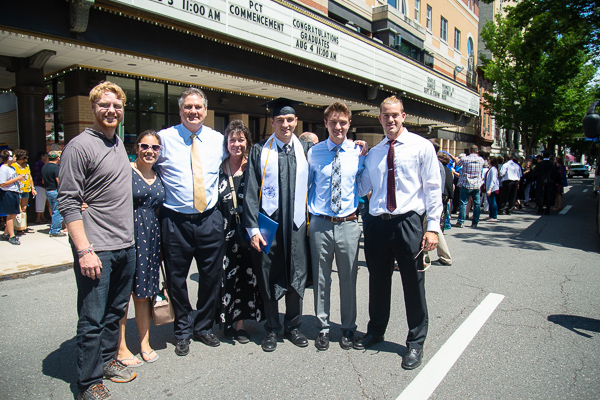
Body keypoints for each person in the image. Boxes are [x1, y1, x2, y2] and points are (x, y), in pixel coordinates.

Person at [58, 81, 137, 400]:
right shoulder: (79, 146)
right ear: (93, 107)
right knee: (92, 317)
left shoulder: (117, 143)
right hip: (97, 249)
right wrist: (84, 250)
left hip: (125, 245)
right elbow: (67, 201)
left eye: (116, 106)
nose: (111, 110)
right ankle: (87, 383)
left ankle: (106, 361)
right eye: (104, 105)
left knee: (115, 311)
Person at [356, 95, 442, 370]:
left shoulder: (421, 147)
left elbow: (432, 189)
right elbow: (362, 189)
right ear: (379, 118)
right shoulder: (375, 152)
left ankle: (415, 342)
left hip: (408, 222)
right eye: (385, 115)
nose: (390, 120)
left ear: (403, 116)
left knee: (412, 285)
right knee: (377, 281)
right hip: (377, 223)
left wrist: (432, 228)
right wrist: (357, 159)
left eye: (395, 115)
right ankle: (376, 330)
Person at [155, 87, 226, 356]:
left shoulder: (218, 139)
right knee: (176, 279)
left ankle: (204, 325)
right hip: (175, 221)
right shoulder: (163, 139)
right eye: (188, 107)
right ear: (180, 110)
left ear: (206, 111)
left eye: (198, 107)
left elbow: (240, 161)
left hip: (210, 218)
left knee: (211, 277)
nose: (193, 112)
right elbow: (143, 166)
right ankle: (183, 328)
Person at [243, 98, 312, 352]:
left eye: (290, 119)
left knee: (296, 272)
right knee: (268, 274)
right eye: (280, 120)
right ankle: (271, 328)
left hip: (296, 225)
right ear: (272, 122)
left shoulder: (305, 150)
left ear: (296, 122)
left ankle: (293, 326)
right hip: (268, 225)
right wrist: (252, 229)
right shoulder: (260, 150)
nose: (285, 124)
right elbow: (250, 191)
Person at [307, 101, 365, 351]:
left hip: (349, 224)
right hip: (320, 223)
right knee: (321, 279)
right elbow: (306, 186)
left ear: (349, 124)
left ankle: (348, 327)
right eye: (333, 122)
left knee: (348, 279)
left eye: (342, 122)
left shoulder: (359, 153)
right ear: (325, 124)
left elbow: (364, 185)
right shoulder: (314, 152)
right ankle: (323, 326)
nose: (338, 127)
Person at [113, 130, 166, 367]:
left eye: (155, 148)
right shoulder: (125, 172)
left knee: (144, 295)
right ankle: (121, 347)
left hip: (151, 238)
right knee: (123, 296)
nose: (150, 151)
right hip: (126, 236)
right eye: (145, 146)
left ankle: (145, 343)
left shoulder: (159, 175)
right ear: (137, 148)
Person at [214, 120, 264, 344]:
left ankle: (241, 324)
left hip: (247, 232)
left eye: (241, 139)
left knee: (246, 276)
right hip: (222, 233)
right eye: (232, 140)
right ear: (226, 143)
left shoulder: (253, 167)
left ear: (247, 142)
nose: (237, 144)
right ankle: (226, 322)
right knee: (224, 277)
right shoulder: (218, 168)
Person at [453, 145, 485, 228]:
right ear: (477, 151)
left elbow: (458, 163)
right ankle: (475, 222)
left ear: (469, 151)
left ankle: (461, 221)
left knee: (463, 203)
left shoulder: (465, 159)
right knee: (476, 204)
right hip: (476, 184)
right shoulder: (481, 160)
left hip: (466, 183)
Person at [0, 149, 25, 245]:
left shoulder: (11, 168)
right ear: (9, 158)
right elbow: (2, 184)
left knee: (13, 214)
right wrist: (17, 178)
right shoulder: (3, 169)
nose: (15, 158)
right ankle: (12, 236)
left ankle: (6, 233)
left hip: (14, 192)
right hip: (8, 193)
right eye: (14, 156)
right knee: (10, 215)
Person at [42, 151, 65, 237]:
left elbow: (43, 180)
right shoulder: (56, 168)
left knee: (53, 210)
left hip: (48, 191)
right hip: (55, 191)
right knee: (57, 211)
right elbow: (58, 180)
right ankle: (55, 230)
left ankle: (54, 227)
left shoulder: (44, 167)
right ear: (58, 158)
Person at [12, 149, 36, 217]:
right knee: (18, 208)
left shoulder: (26, 165)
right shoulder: (14, 166)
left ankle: (23, 224)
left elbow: (30, 177)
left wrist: (33, 188)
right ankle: (19, 225)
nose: (26, 158)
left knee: (24, 208)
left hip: (26, 189)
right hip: (18, 189)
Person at [32, 151, 49, 223]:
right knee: (40, 201)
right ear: (42, 157)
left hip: (43, 185)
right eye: (46, 156)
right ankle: (38, 218)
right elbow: (40, 174)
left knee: (43, 201)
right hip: (39, 184)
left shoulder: (42, 164)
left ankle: (42, 216)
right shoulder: (39, 164)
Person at [485, 156, 500, 221]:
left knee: (493, 201)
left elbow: (493, 180)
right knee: (490, 202)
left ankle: (494, 216)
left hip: (492, 188)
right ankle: (491, 215)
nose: (487, 161)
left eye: (488, 160)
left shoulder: (493, 169)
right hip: (489, 187)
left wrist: (490, 189)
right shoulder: (491, 168)